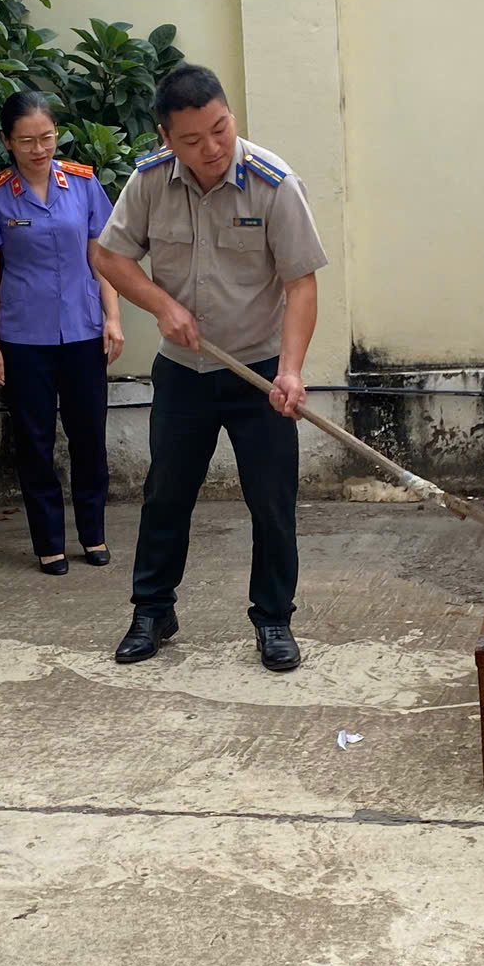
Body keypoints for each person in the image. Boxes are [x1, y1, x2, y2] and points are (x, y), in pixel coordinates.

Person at [91, 63, 328, 672]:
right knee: (165, 496)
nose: (212, 148)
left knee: (271, 501)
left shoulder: (274, 184)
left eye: (221, 129)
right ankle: (152, 611)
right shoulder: (149, 182)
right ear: (167, 138)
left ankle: (273, 619)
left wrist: (292, 371)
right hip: (183, 371)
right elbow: (109, 257)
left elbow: (301, 285)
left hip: (260, 372)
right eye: (193, 139)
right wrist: (161, 305)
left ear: (230, 116)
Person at [0, 90, 124, 575]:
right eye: (26, 141)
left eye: (47, 137)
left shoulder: (82, 183)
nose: (38, 149)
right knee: (34, 441)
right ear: (6, 141)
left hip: (83, 329)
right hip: (23, 337)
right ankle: (49, 543)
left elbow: (101, 256)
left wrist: (113, 317)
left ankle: (93, 534)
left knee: (89, 437)